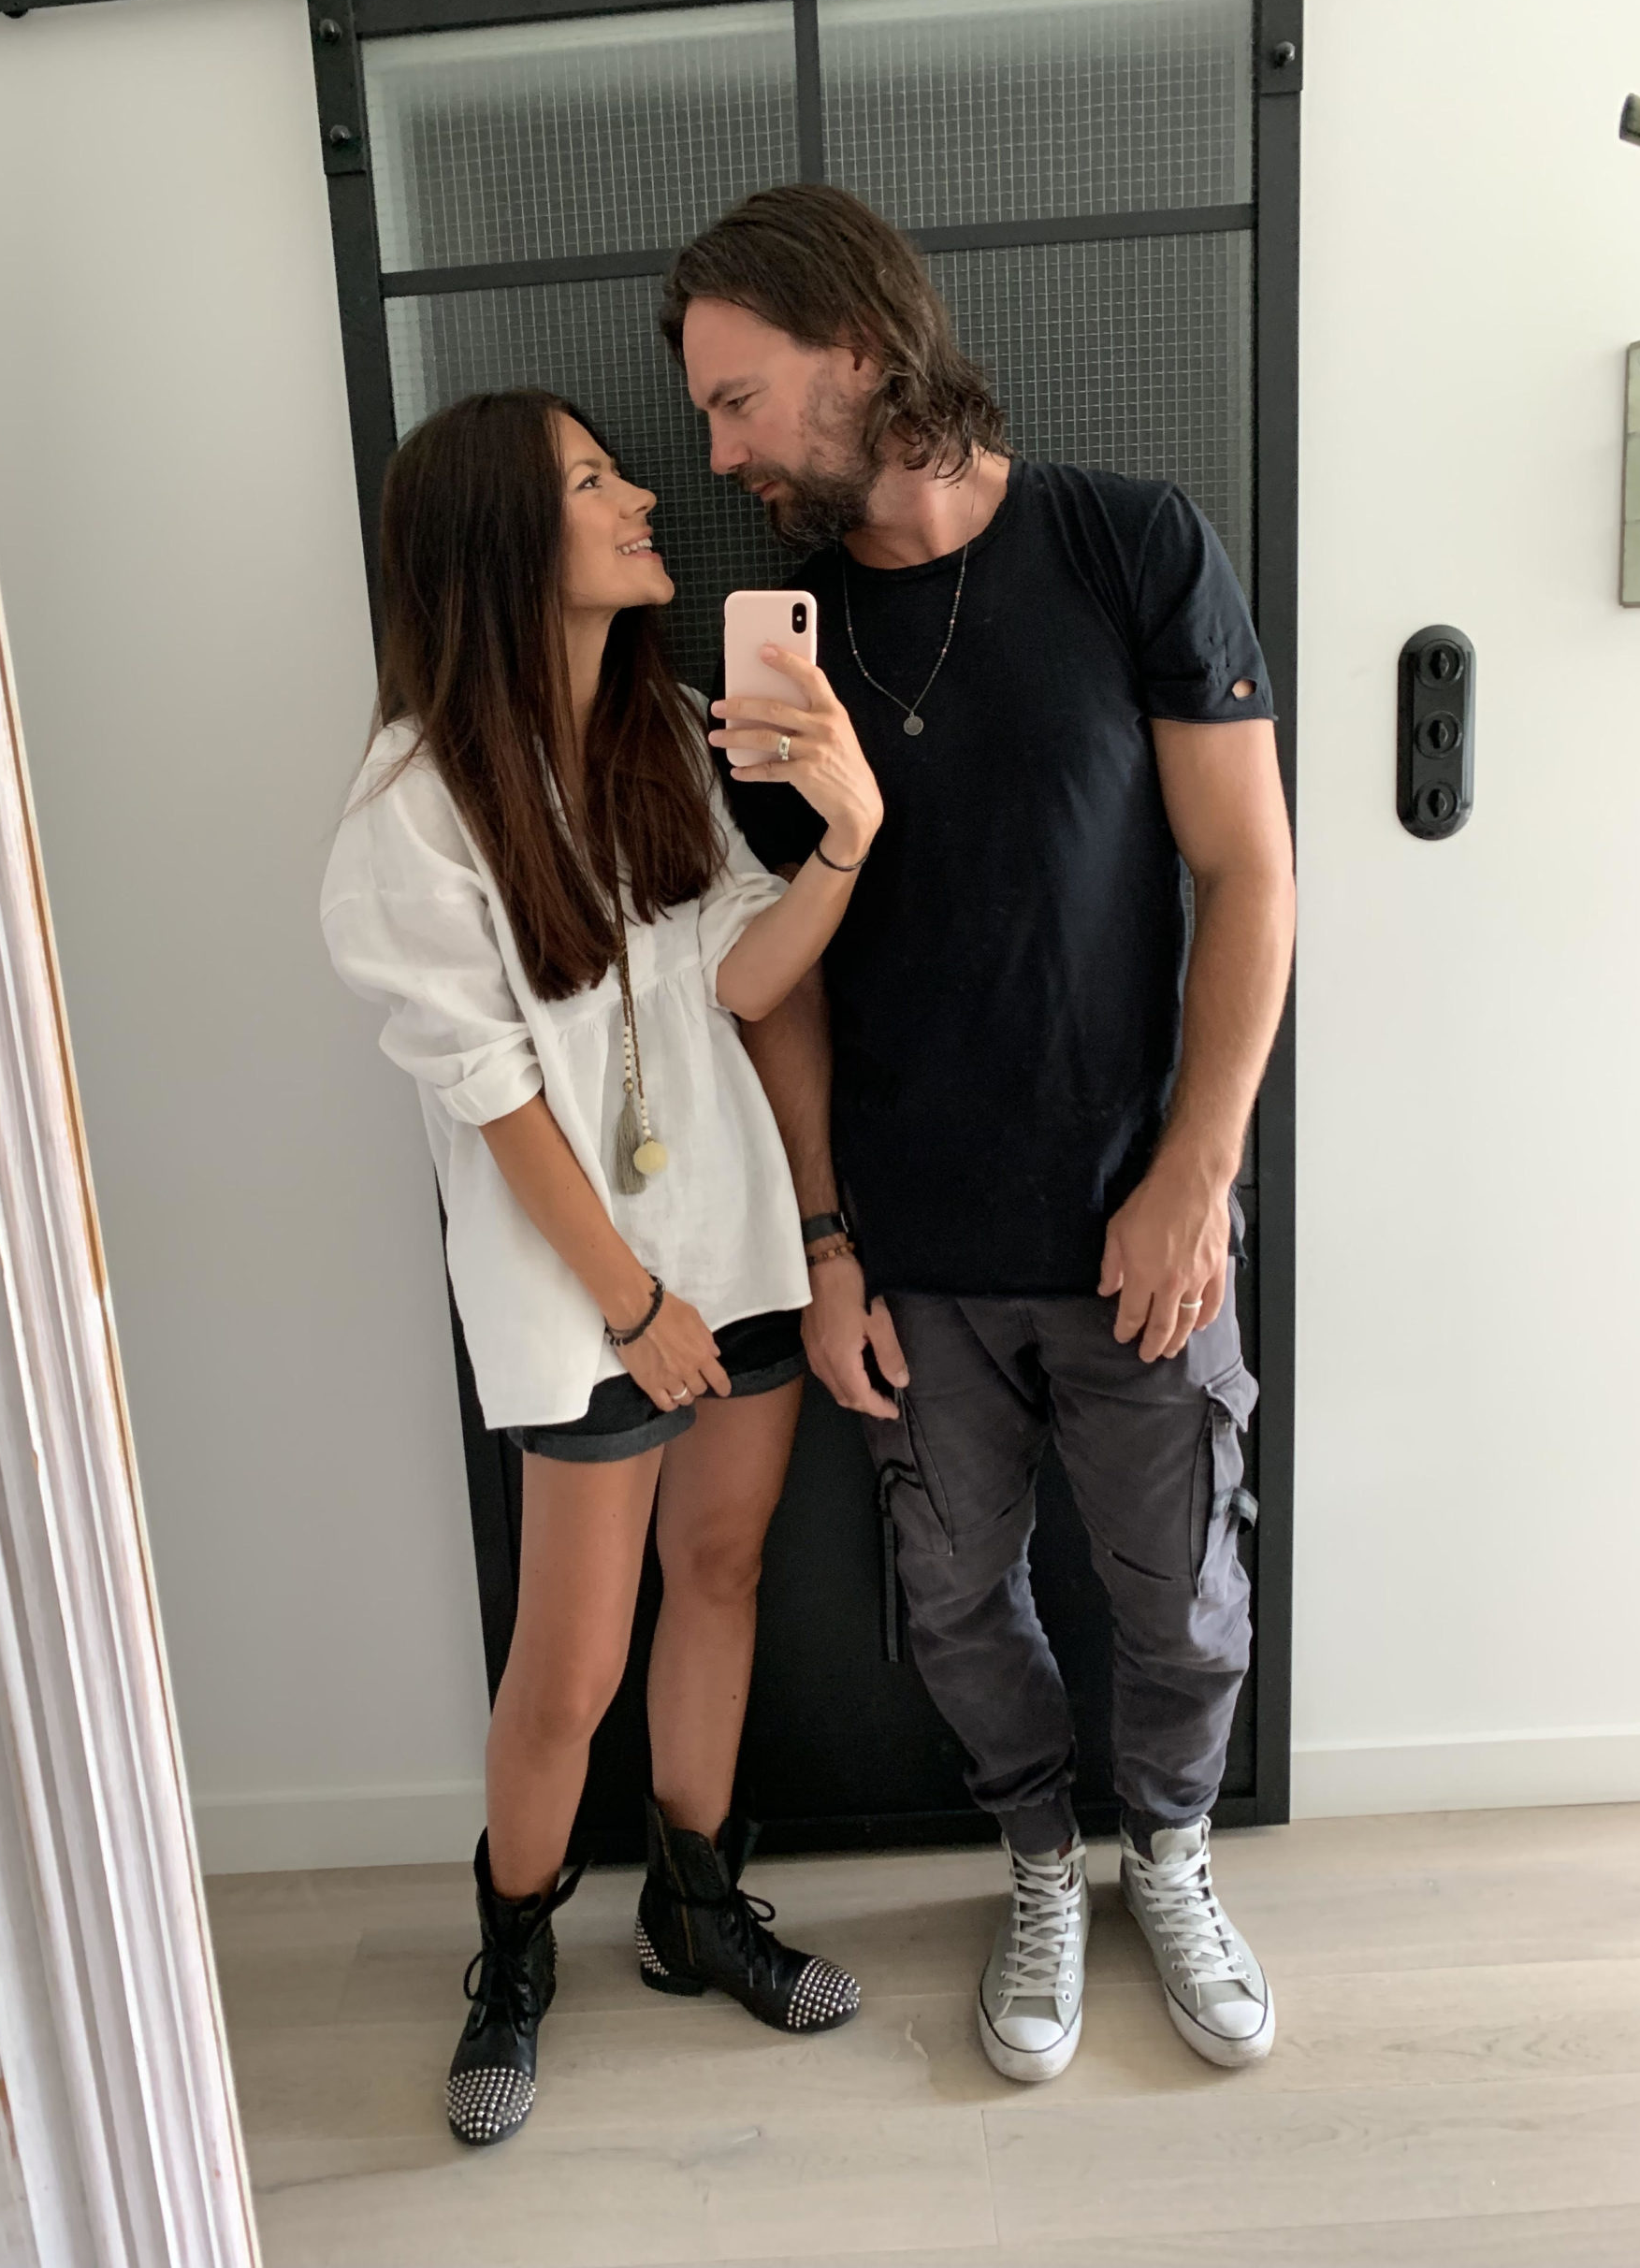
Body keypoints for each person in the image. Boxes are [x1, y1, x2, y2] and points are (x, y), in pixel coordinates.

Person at [661, 187, 1297, 2082]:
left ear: (860, 349)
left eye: (738, 399)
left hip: (1137, 1227)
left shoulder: (1129, 544)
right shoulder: (787, 654)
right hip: (915, 1262)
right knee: (951, 1599)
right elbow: (776, 988)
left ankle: (1168, 1852)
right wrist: (827, 1240)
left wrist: (1197, 1173)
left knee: (1182, 1595)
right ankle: (1038, 1860)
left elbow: (1250, 874)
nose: (721, 454)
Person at [320, 389, 883, 2145]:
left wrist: (847, 836)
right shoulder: (412, 808)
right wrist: (632, 1307)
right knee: (566, 1668)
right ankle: (510, 1957)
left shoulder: (653, 732)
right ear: (502, 539)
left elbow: (739, 977)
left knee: (719, 1572)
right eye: (593, 480)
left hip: (731, 1241)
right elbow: (492, 1095)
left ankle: (693, 1908)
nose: (644, 495)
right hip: (586, 1289)